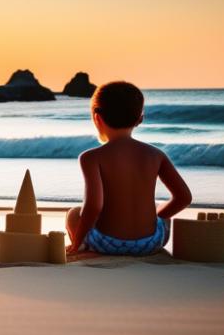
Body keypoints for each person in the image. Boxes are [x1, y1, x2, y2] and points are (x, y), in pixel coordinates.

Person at [66, 81, 192, 256]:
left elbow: (94, 206)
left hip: (108, 244)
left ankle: (80, 247)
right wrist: (157, 215)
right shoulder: (156, 155)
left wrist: (77, 240)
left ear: (97, 118)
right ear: (140, 119)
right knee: (161, 212)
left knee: (74, 214)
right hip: (151, 243)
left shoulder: (91, 157)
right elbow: (184, 198)